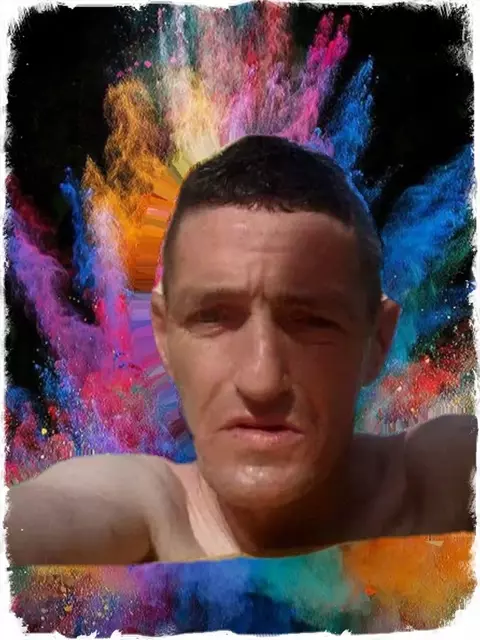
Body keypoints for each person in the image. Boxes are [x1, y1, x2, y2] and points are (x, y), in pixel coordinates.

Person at [6, 135, 477, 565]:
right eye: (213, 317)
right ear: (163, 337)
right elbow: (54, 514)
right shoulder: (143, 505)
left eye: (312, 321)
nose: (262, 381)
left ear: (378, 340)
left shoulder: (442, 478)